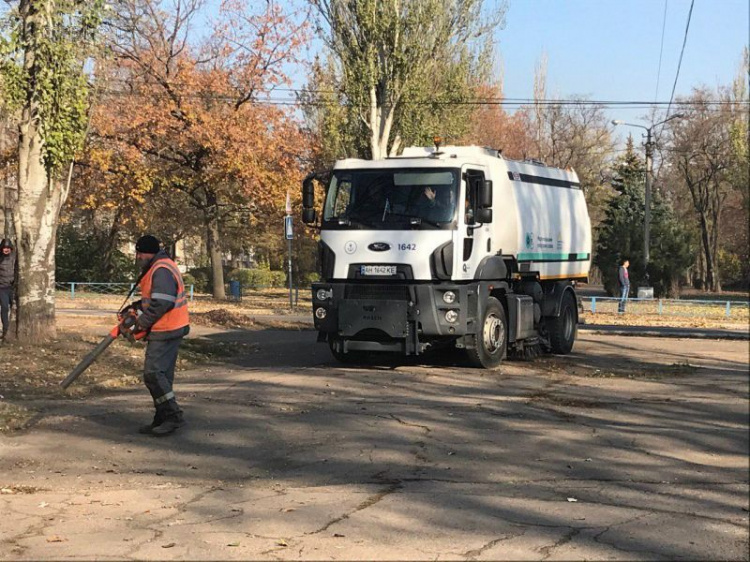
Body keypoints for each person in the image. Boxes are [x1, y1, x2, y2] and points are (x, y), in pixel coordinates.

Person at [126, 235, 190, 436]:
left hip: (166, 328)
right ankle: (162, 417)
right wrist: (136, 307)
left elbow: (162, 302)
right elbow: (154, 299)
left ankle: (172, 416)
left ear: (147, 253)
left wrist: (141, 324)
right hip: (172, 326)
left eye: (139, 253)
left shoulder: (160, 269)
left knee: (153, 374)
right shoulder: (161, 265)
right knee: (163, 376)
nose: (138, 257)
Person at [0, 239, 16, 342]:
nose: (6, 250)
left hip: (12, 287)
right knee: (5, 308)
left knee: (15, 308)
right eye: (4, 248)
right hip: (2, 288)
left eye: (8, 248)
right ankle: (6, 330)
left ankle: (13, 329)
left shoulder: (15, 258)